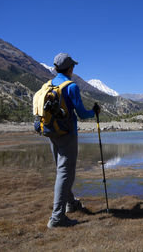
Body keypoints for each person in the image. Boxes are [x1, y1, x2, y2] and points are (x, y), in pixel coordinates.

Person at [47, 53, 100, 229]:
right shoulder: (71, 87)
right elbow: (83, 114)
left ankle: (70, 204)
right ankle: (57, 218)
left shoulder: (48, 85)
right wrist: (95, 111)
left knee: (62, 171)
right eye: (73, 67)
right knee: (65, 173)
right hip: (67, 133)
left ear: (55, 68)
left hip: (51, 132)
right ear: (70, 68)